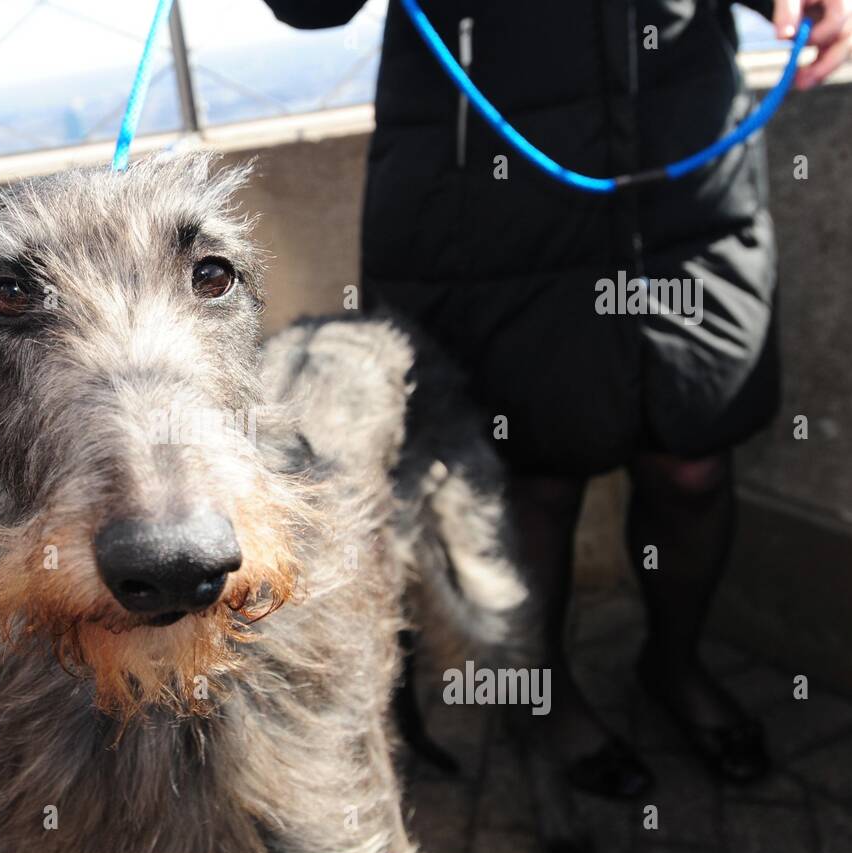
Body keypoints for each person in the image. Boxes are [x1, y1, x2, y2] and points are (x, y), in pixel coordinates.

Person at [263, 0, 850, 794]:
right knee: (535, 475)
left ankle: (674, 666)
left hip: (685, 171)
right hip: (493, 190)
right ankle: (545, 701)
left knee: (692, 463)